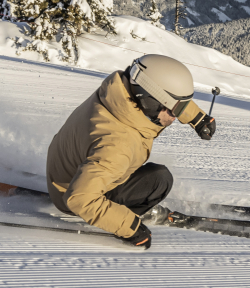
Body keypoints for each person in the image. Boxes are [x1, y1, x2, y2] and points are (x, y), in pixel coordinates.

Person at [45, 54, 218, 249]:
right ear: (150, 101)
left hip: (67, 167)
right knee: (159, 180)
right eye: (173, 111)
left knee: (150, 171)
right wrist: (130, 227)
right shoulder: (118, 145)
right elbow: (79, 199)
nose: (175, 118)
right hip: (73, 194)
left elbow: (163, 92)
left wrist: (197, 118)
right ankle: (123, 212)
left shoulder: (119, 93)